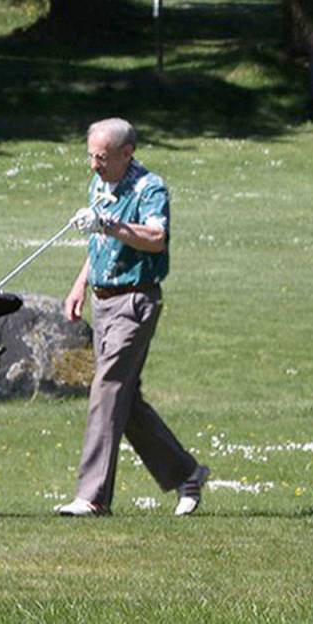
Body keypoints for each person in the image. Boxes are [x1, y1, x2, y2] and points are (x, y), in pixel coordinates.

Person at [56, 118, 209, 517]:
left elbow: (156, 239)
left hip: (135, 302)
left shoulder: (149, 187)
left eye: (102, 157)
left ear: (128, 153)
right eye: (91, 156)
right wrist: (79, 285)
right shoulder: (100, 183)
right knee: (124, 401)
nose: (94, 165)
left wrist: (109, 223)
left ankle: (92, 497)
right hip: (102, 300)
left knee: (106, 389)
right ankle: (186, 473)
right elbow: (98, 242)